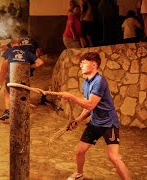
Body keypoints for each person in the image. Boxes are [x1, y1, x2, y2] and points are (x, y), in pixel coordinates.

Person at [53, 52, 131, 180]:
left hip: (109, 123)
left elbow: (90, 105)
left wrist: (71, 96)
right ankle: (79, 174)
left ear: (94, 65)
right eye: (81, 62)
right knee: (80, 151)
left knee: (113, 157)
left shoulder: (99, 82)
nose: (81, 65)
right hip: (95, 123)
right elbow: (88, 107)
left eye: (84, 62)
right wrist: (77, 121)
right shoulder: (86, 83)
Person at [0, 37, 44, 121]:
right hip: (24, 76)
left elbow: (3, 61)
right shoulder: (27, 52)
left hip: (11, 75)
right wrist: (28, 66)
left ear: (11, 44)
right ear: (21, 44)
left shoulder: (9, 51)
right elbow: (40, 62)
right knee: (23, 92)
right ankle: (23, 112)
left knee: (7, 92)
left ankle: (8, 111)